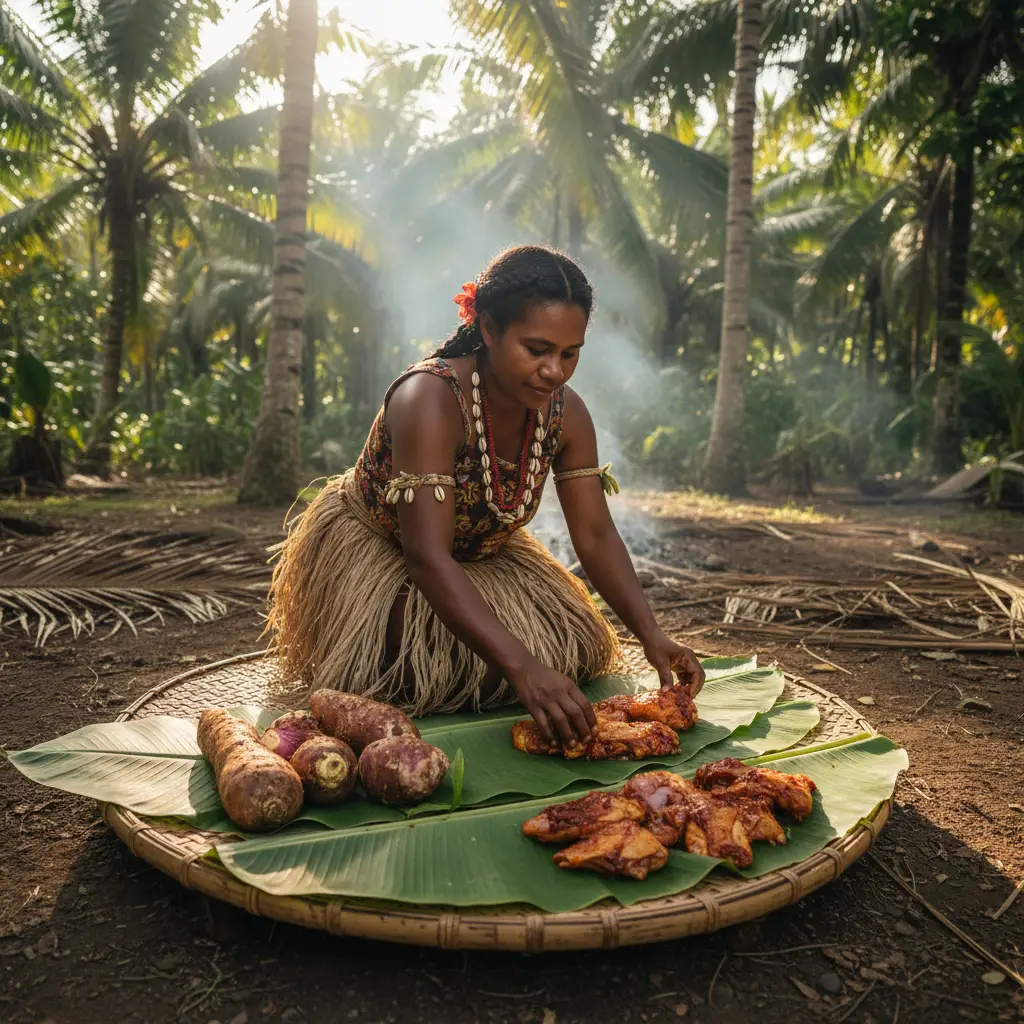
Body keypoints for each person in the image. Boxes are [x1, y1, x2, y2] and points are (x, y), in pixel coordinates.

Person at [268, 244, 705, 747]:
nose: (554, 371)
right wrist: (522, 666)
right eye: (536, 349)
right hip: (390, 551)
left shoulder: (567, 415)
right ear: (490, 330)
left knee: (575, 651)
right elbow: (427, 557)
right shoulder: (429, 399)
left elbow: (595, 532)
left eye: (570, 353)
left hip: (484, 553)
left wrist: (652, 634)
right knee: (414, 669)